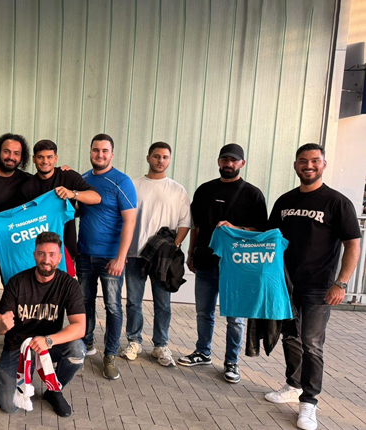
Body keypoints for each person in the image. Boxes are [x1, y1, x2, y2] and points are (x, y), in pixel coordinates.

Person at [264, 144, 360, 430]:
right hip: (286, 284)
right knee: (290, 337)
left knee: (312, 344)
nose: (309, 165)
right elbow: (269, 238)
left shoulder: (337, 202)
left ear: (324, 164)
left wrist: (341, 283)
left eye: (314, 161)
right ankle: (293, 385)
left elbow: (352, 245)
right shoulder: (284, 201)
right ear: (296, 165)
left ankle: (309, 403)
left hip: (320, 287)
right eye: (303, 161)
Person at [179, 143, 267, 384]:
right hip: (206, 259)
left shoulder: (253, 194)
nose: (228, 164)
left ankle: (232, 362)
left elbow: (261, 231)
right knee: (203, 312)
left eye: (234, 160)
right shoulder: (204, 190)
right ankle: (203, 352)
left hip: (236, 266)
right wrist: (191, 253)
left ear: (242, 164)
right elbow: (196, 226)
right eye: (224, 159)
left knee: (234, 318)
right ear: (219, 161)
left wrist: (236, 228)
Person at [0, 232, 86, 417]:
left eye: (52, 254)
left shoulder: (68, 284)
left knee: (77, 349)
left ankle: (53, 390)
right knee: (8, 406)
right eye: (42, 254)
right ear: (35, 255)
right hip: (17, 347)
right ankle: (23, 374)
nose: (46, 259)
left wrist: (49, 340)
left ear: (59, 258)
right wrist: (2, 325)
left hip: (47, 345)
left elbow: (80, 327)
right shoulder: (17, 282)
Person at [121, 142, 191, 367]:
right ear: (148, 157)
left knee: (163, 303)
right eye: (156, 156)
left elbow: (184, 222)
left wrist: (175, 246)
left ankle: (160, 345)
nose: (160, 160)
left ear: (169, 160)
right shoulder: (133, 185)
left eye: (165, 157)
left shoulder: (177, 189)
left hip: (163, 258)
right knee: (133, 301)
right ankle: (134, 341)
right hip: (135, 254)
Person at [77, 133, 137, 380]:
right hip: (84, 255)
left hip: (111, 258)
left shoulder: (122, 182)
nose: (99, 155)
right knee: (83, 303)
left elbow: (130, 221)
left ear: (112, 154)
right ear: (90, 152)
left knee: (112, 306)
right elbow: (76, 210)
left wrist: (121, 257)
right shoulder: (83, 179)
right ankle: (85, 345)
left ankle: (110, 354)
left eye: (104, 151)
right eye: (95, 150)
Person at [0, 133, 32, 353]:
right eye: (7, 151)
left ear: (22, 157)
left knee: (19, 294)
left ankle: (18, 337)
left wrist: (64, 173)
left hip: (16, 249)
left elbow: (51, 187)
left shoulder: (29, 181)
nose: (10, 157)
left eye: (16, 153)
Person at [20, 139, 101, 271]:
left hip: (66, 249)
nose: (45, 161)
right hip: (38, 252)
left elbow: (96, 198)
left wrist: (73, 194)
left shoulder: (69, 176)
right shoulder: (27, 187)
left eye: (49, 157)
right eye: (40, 157)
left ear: (56, 158)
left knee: (64, 289)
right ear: (34, 159)